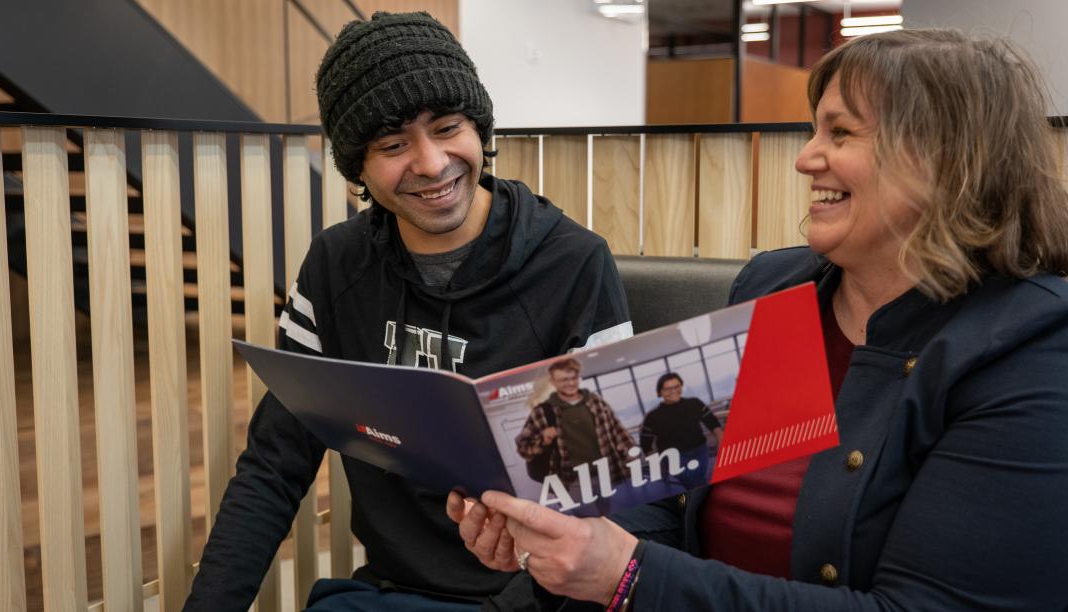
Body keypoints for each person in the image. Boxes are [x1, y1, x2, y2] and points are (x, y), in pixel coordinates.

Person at [450, 29, 1068, 610]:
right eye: (813, 131)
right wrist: (560, 539)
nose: (806, 159)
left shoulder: (1026, 349)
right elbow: (670, 500)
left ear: (944, 161)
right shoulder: (778, 289)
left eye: (841, 134)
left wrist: (629, 577)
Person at [184, 11, 632, 611]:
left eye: (448, 128)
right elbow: (274, 463)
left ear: (479, 129)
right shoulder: (336, 266)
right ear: (358, 169)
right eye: (393, 145)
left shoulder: (574, 264)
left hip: (542, 599)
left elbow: (623, 491)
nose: (430, 163)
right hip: (391, 593)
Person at [515, 358, 636, 509]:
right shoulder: (543, 411)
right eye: (564, 380)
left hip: (606, 473)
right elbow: (523, 447)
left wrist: (633, 455)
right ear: (553, 382)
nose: (571, 383)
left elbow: (618, 430)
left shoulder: (595, 402)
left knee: (612, 514)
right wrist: (543, 440)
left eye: (574, 378)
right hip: (572, 481)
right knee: (584, 519)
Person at [638, 372, 723, 489]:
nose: (673, 391)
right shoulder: (652, 416)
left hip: (701, 451)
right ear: (660, 392)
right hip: (674, 458)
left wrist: (721, 439)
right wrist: (654, 461)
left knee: (697, 482)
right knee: (695, 483)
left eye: (677, 386)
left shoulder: (695, 403)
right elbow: (645, 441)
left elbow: (711, 421)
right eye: (667, 389)